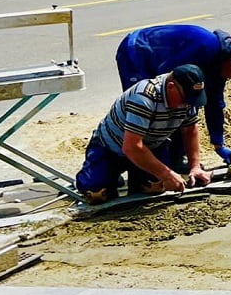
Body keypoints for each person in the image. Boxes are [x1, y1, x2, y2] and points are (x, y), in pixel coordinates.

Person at [115, 24, 231, 170]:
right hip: (136, 52)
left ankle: (175, 160)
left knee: (185, 105)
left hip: (156, 59)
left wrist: (218, 144)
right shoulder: (204, 50)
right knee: (143, 110)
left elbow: (215, 104)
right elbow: (167, 78)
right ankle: (126, 161)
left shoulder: (220, 66)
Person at [75, 64, 211, 204]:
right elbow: (132, 147)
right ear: (171, 87)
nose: (188, 104)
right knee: (96, 193)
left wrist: (195, 166)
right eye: (185, 99)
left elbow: (190, 130)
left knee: (155, 187)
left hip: (150, 148)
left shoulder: (187, 100)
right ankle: (103, 175)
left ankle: (135, 176)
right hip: (110, 149)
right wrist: (167, 174)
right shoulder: (144, 97)